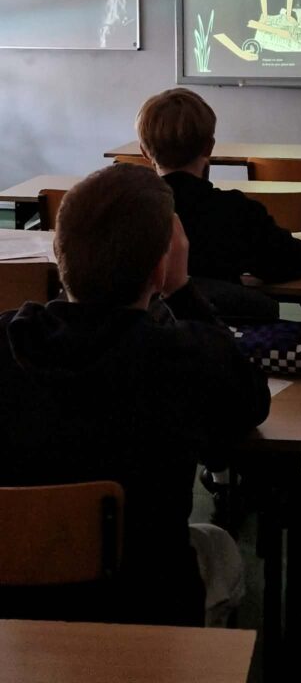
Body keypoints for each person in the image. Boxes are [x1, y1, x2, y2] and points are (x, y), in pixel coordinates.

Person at [0, 164, 271, 627]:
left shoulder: (8, 339)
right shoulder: (183, 357)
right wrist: (183, 292)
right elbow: (250, 404)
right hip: (145, 607)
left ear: (59, 252)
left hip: (14, 615)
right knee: (221, 547)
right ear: (161, 268)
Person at [136, 87, 301, 319]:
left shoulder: (129, 216)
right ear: (209, 147)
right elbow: (297, 262)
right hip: (223, 336)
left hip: (148, 337)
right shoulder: (236, 212)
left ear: (144, 152)